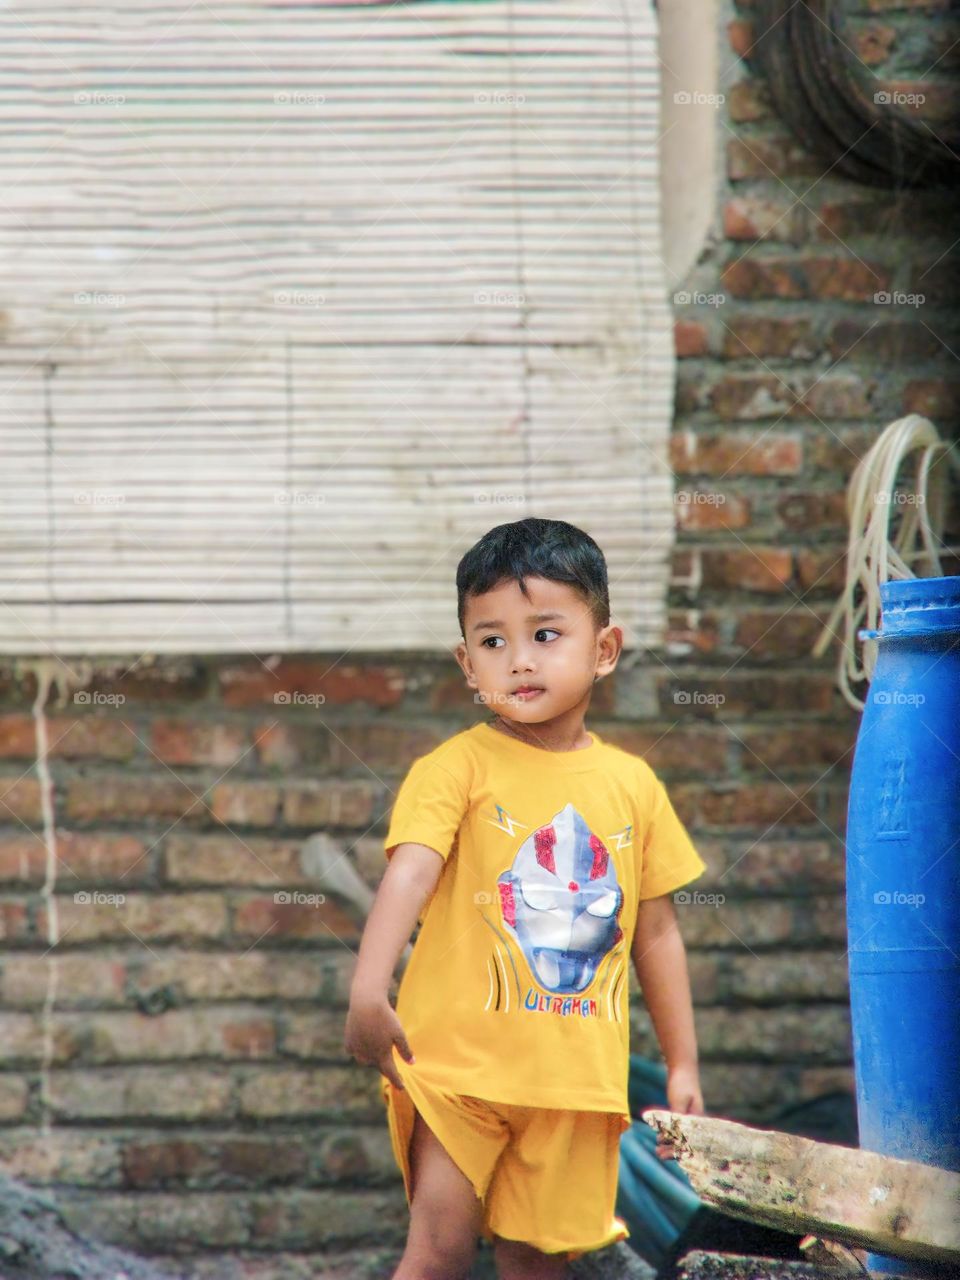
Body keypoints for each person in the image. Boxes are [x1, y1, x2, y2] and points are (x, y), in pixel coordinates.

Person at [344, 517, 707, 1280]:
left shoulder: (632, 786)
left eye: (545, 634)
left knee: (536, 1265)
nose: (519, 660)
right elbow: (407, 873)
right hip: (456, 1071)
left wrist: (682, 1065)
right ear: (467, 663)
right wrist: (368, 989)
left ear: (603, 649)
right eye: (493, 641)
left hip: (576, 1085)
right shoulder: (456, 769)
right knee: (437, 1251)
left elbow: (657, 935)